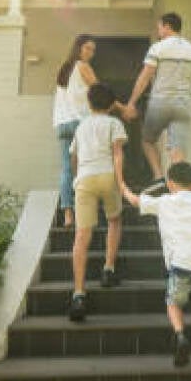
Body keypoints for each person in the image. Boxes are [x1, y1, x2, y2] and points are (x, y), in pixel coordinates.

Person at [120, 161, 191, 370]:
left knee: (173, 302)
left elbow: (135, 200)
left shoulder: (164, 202)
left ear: (170, 184)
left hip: (181, 263)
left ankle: (180, 336)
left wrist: (123, 187)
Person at [54, 35, 135, 227]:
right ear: (78, 48)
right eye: (87, 48)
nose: (91, 53)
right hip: (80, 123)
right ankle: (93, 206)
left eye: (93, 50)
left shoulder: (63, 70)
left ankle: (67, 214)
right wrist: (123, 108)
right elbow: (100, 91)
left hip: (61, 124)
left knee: (67, 168)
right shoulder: (82, 66)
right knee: (93, 163)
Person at [67, 82, 129, 322]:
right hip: (107, 176)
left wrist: (76, 179)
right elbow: (117, 153)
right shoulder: (114, 123)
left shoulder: (81, 126)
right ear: (111, 105)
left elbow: (73, 157)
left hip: (84, 178)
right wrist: (121, 182)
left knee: (81, 236)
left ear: (89, 103)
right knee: (114, 220)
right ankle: (108, 269)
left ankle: (79, 293)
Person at [125, 12, 191, 189]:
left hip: (160, 102)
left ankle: (158, 176)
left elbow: (145, 77)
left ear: (167, 27)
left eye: (160, 27)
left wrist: (132, 102)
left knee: (147, 140)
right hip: (183, 105)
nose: (159, 31)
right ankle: (178, 190)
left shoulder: (158, 48)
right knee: (177, 151)